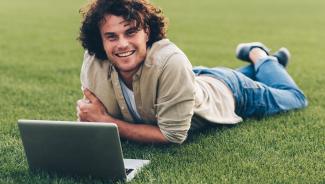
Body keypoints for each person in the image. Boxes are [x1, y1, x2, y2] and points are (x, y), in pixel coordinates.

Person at [76, 0, 307, 144]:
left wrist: (108, 122)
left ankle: (261, 57)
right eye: (112, 36)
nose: (122, 44)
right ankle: (264, 64)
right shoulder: (94, 62)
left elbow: (172, 136)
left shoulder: (171, 61)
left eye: (130, 33)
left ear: (147, 32)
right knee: (197, 79)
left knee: (294, 97)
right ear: (101, 40)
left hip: (230, 93)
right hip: (189, 81)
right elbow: (92, 118)